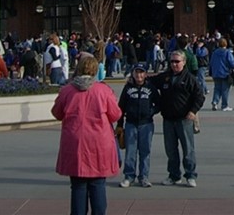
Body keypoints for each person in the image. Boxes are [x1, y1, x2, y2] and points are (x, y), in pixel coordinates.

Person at [52, 54, 123, 215]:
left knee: (77, 185)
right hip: (99, 142)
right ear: (95, 70)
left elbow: (56, 112)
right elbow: (116, 114)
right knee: (98, 184)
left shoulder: (67, 90)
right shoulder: (103, 90)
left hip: (74, 142)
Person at [152, 50, 204, 187]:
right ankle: (174, 175)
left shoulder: (190, 79)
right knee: (171, 150)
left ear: (184, 62)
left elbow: (199, 97)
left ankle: (191, 175)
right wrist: (137, 77)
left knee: (188, 149)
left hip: (184, 119)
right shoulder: (165, 77)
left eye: (177, 61)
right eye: (172, 61)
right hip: (168, 119)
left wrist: (193, 111)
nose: (174, 64)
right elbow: (150, 81)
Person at [117, 63, 157, 188]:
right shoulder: (128, 88)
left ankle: (144, 177)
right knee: (130, 151)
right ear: (133, 74)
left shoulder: (150, 87)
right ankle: (129, 176)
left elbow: (159, 103)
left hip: (146, 124)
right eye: (136, 72)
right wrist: (119, 124)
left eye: (141, 72)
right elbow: (121, 106)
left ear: (145, 74)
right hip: (131, 123)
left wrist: (151, 111)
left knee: (145, 151)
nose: (139, 75)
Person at [207, 37, 234, 111]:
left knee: (217, 88)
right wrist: (233, 67)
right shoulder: (227, 52)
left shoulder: (214, 52)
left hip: (216, 73)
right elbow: (232, 63)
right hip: (225, 73)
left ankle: (215, 102)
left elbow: (211, 62)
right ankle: (224, 105)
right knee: (225, 90)